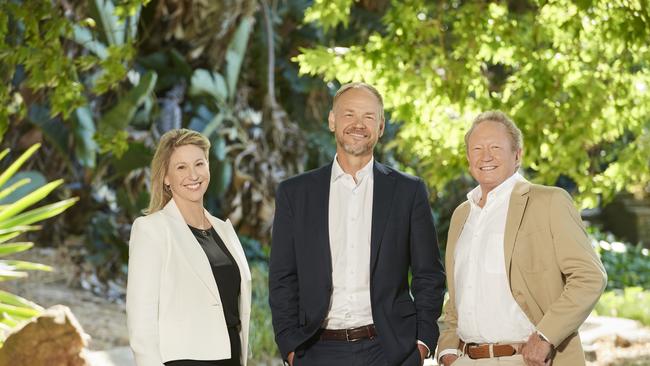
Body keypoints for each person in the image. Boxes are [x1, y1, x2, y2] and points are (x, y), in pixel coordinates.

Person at [269, 82, 446, 366]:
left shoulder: (408, 191)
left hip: (390, 351)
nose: (358, 124)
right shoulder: (295, 193)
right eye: (349, 114)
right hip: (316, 351)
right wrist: (291, 346)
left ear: (381, 126)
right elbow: (282, 278)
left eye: (368, 116)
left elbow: (429, 274)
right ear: (332, 120)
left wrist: (422, 343)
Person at [437, 111, 607, 366]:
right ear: (468, 158)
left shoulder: (549, 202)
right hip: (464, 360)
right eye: (477, 148)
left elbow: (590, 276)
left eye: (496, 147)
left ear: (517, 155)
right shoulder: (462, 214)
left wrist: (545, 336)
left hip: (527, 359)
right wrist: (447, 350)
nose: (486, 156)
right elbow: (458, 294)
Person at [127, 129, 252, 366]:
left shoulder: (224, 230)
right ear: (166, 177)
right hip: (183, 360)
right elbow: (141, 323)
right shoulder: (151, 230)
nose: (193, 175)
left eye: (199, 164)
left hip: (232, 357)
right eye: (181, 167)